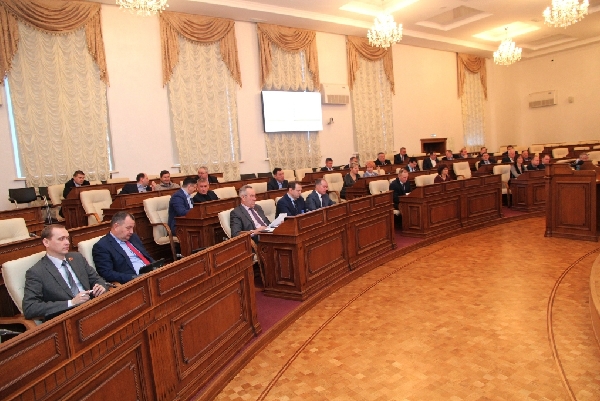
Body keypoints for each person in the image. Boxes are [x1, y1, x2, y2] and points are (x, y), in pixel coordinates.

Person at [22, 225, 107, 320]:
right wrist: (71, 303)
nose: (67, 242)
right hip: (68, 319)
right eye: (61, 239)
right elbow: (30, 308)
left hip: (93, 307)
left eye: (67, 238)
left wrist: (101, 286)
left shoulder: (77, 258)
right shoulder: (37, 272)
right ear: (46, 242)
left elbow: (96, 278)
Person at [92, 211, 155, 284]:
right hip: (135, 282)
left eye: (132, 228)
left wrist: (157, 266)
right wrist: (134, 278)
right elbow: (106, 273)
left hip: (151, 273)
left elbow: (146, 256)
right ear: (116, 227)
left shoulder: (133, 237)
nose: (131, 231)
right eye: (128, 228)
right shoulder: (102, 246)